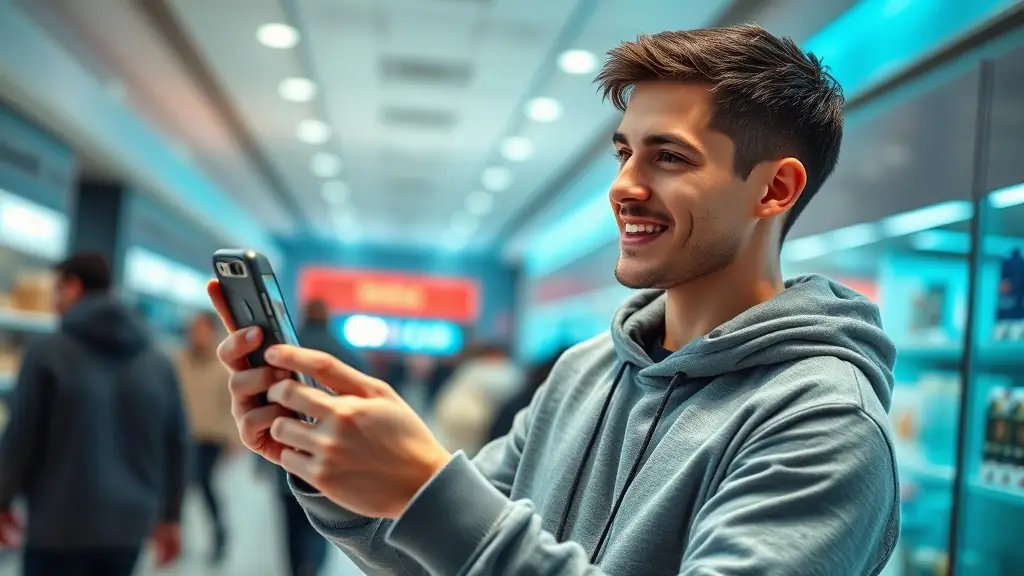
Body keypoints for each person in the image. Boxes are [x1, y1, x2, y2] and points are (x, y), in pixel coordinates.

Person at [209, 24, 899, 575]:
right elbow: (437, 556)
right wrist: (325, 464)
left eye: (669, 157)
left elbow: (461, 531)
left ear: (774, 190)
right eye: (623, 152)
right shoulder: (585, 371)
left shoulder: (826, 422)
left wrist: (427, 490)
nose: (624, 185)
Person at [0, 251, 188, 576]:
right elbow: (177, 443)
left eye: (57, 291)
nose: (55, 302)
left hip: (57, 526)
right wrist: (171, 516)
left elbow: (21, 437)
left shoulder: (47, 354)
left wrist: (2, 499)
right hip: (128, 529)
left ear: (72, 287)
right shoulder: (159, 361)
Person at [175, 311, 236, 564]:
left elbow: (233, 406)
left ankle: (220, 534)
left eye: (201, 328)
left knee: (202, 484)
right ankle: (176, 538)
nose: (196, 334)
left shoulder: (224, 366)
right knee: (180, 488)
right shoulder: (178, 361)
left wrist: (235, 440)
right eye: (193, 328)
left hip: (211, 439)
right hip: (182, 437)